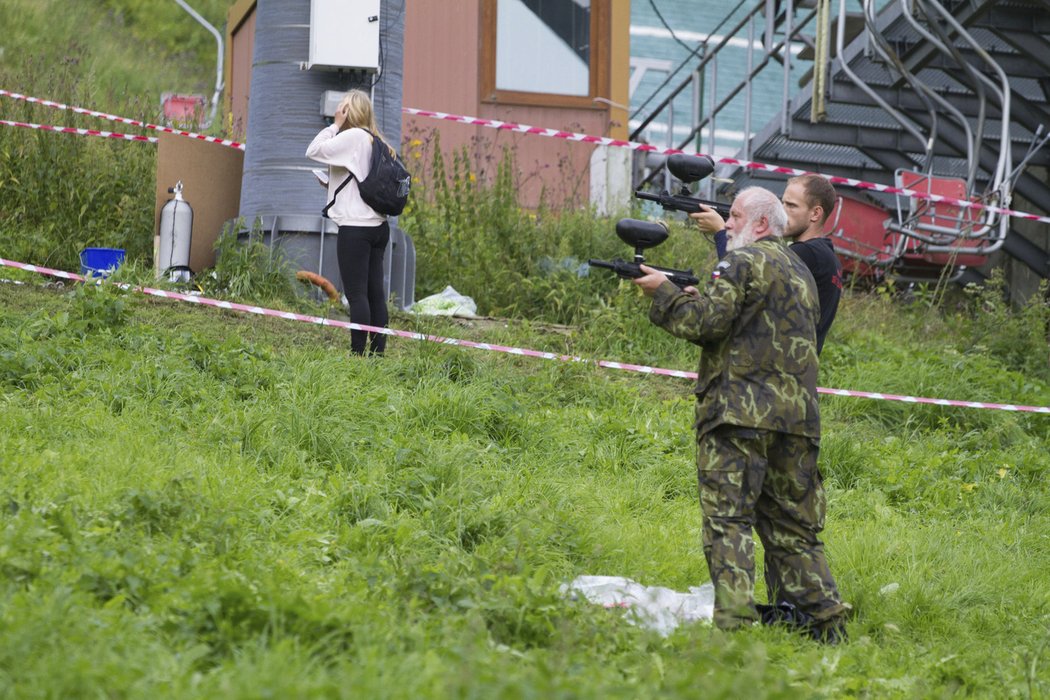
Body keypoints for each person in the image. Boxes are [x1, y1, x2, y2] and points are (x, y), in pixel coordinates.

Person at [633, 187, 849, 643]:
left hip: (739, 416)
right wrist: (695, 296)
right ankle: (829, 626)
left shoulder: (741, 262)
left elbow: (706, 324)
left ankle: (733, 629)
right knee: (794, 531)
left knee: (728, 521)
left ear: (761, 225)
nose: (727, 225)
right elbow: (750, 324)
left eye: (734, 217)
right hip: (797, 422)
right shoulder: (800, 270)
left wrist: (665, 293)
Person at [692, 174, 843, 353]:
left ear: (815, 213)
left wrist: (720, 231)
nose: (782, 211)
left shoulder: (806, 254)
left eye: (792, 205)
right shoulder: (825, 256)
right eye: (783, 203)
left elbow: (738, 275)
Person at [306, 89, 390, 356]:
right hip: (378, 226)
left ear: (348, 112)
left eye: (342, 108)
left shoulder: (352, 136)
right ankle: (377, 355)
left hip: (355, 228)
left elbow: (313, 150)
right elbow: (358, 181)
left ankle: (357, 354)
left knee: (357, 295)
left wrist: (335, 125)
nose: (338, 111)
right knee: (375, 293)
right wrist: (330, 184)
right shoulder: (376, 140)